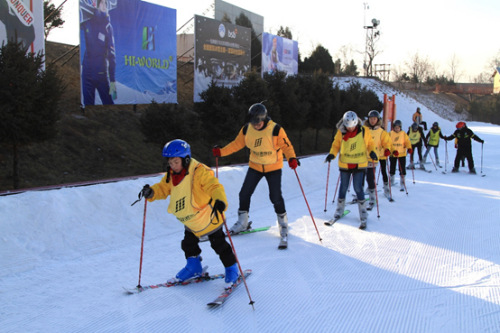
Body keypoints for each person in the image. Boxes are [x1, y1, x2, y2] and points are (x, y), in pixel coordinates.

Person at [139, 139, 239, 286]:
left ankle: (232, 268)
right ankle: (194, 267)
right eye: (170, 162)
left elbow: (214, 186)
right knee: (188, 245)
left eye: (175, 162)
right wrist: (152, 192)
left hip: (208, 218)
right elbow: (163, 188)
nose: (172, 166)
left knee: (219, 245)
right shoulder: (172, 174)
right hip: (191, 221)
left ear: (186, 159)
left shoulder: (199, 172)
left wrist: (220, 200)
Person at [212, 103, 299, 249]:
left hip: (273, 167)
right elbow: (236, 144)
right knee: (244, 193)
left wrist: (292, 158)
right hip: (255, 166)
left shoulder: (276, 129)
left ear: (263, 119)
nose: (256, 125)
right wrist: (221, 152)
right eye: (253, 122)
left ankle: (283, 224)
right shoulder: (247, 129)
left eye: (258, 123)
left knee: (275, 196)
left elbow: (286, 146)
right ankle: (242, 223)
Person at [325, 111, 376, 229]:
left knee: (358, 188)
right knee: (343, 187)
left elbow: (370, 144)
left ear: (356, 123)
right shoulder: (341, 132)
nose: (350, 128)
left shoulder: (364, 131)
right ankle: (339, 210)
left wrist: (372, 152)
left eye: (352, 126)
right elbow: (335, 145)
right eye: (348, 126)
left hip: (359, 163)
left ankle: (363, 213)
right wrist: (332, 154)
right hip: (345, 164)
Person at [80, 0, 117, 106]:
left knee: (109, 103)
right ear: (96, 4)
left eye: (105, 4)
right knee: (88, 106)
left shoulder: (108, 27)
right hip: (87, 72)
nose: (104, 6)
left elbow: (112, 55)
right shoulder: (88, 21)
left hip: (101, 73)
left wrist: (113, 80)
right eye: (102, 3)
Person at [363, 110, 393, 204]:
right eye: (371, 118)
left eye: (374, 119)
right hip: (362, 156)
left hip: (375, 156)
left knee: (372, 175)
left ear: (377, 119)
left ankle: (379, 192)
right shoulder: (363, 129)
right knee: (361, 176)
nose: (372, 120)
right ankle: (363, 192)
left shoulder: (382, 131)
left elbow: (387, 142)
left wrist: (387, 149)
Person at [389, 120, 412, 192]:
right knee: (392, 167)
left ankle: (402, 182)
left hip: (401, 154)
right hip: (393, 154)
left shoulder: (403, 134)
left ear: (400, 127)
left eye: (398, 128)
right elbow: (387, 142)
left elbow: (407, 142)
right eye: (395, 128)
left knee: (402, 168)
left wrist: (409, 148)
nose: (397, 129)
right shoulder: (390, 134)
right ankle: (392, 180)